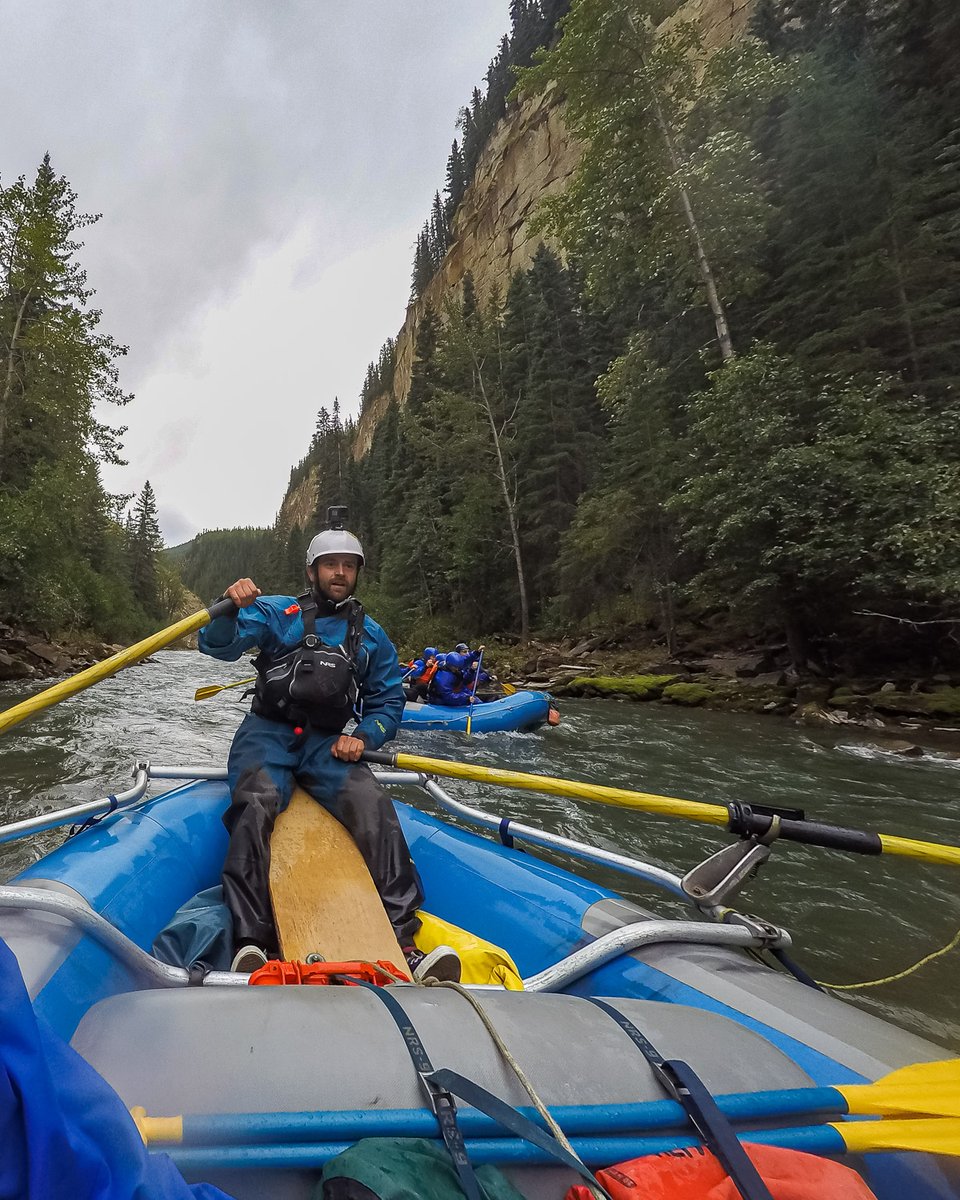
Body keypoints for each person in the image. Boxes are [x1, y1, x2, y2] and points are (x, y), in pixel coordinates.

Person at [198, 511, 459, 983]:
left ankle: (404, 941)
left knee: (374, 805)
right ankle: (251, 942)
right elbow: (216, 645)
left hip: (327, 746)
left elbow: (386, 702)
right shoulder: (281, 613)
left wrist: (363, 737)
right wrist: (230, 606)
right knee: (254, 807)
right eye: (330, 564)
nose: (340, 573)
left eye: (349, 565)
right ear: (313, 570)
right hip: (268, 734)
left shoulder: (371, 635)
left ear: (357, 572)